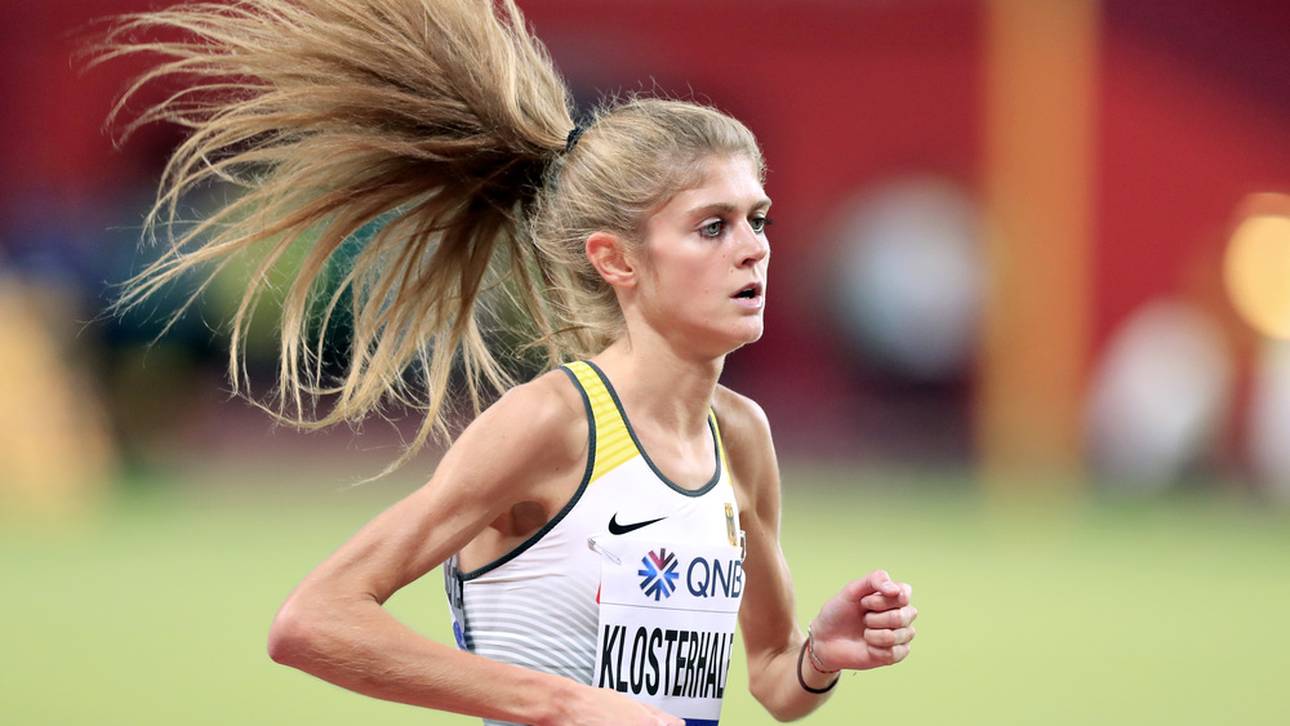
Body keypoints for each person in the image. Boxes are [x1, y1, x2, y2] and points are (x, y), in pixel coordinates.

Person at [96, 1, 916, 723]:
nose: (754, 249)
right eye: (713, 226)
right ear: (616, 260)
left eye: (758, 219)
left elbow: (770, 673)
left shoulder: (740, 436)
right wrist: (560, 703)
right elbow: (314, 621)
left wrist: (819, 656)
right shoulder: (552, 424)